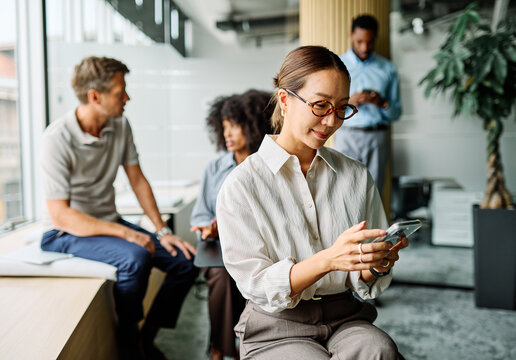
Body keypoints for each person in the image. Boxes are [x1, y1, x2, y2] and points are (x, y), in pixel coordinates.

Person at [216, 45, 408, 359]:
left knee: (379, 349)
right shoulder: (242, 185)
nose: (332, 121)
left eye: (342, 108)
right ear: (285, 100)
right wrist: (329, 259)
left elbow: (363, 280)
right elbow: (258, 284)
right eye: (320, 105)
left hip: (347, 318)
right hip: (276, 325)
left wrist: (375, 264)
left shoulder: (356, 176)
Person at [40, 56, 198, 360]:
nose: (127, 98)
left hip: (107, 222)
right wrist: (126, 233)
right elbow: (61, 215)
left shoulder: (120, 125)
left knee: (184, 262)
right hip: (65, 231)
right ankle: (129, 344)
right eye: (120, 91)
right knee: (136, 257)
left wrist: (162, 231)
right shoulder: (56, 139)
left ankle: (144, 337)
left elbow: (137, 180)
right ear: (95, 96)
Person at [190, 90, 273, 360]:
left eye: (234, 127)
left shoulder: (269, 166)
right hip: (221, 249)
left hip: (262, 245)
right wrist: (207, 228)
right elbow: (200, 215)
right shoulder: (213, 169)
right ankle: (222, 349)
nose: (227, 134)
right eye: (223, 127)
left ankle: (257, 343)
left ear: (252, 127)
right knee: (223, 277)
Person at [333, 14, 402, 195]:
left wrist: (381, 102)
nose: (364, 47)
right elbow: (326, 107)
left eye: (369, 42)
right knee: (343, 192)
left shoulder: (388, 69)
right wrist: (348, 102)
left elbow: (396, 113)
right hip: (346, 136)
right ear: (351, 36)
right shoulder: (337, 65)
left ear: (375, 39)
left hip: (376, 138)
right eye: (359, 42)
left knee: (373, 194)